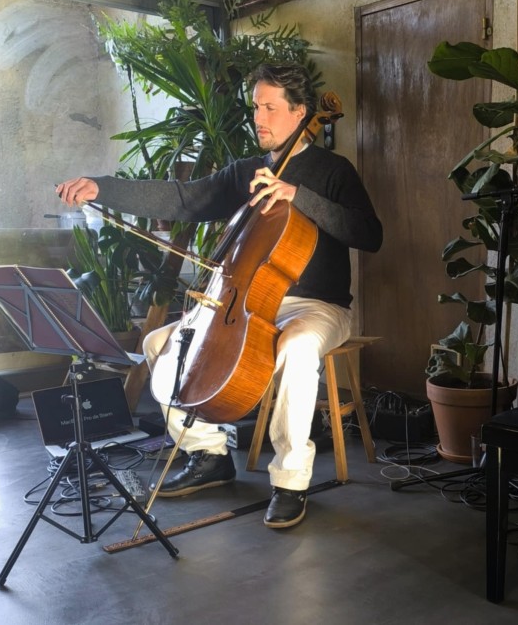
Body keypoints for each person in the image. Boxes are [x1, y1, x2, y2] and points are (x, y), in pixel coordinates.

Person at [57, 62, 383, 530]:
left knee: (296, 348)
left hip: (316, 306)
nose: (259, 118)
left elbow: (369, 234)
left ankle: (291, 481)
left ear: (300, 112)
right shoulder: (247, 171)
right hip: (244, 303)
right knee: (158, 343)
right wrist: (102, 188)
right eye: (256, 107)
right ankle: (208, 454)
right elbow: (182, 198)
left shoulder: (334, 171)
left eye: (270, 108)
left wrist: (297, 195)